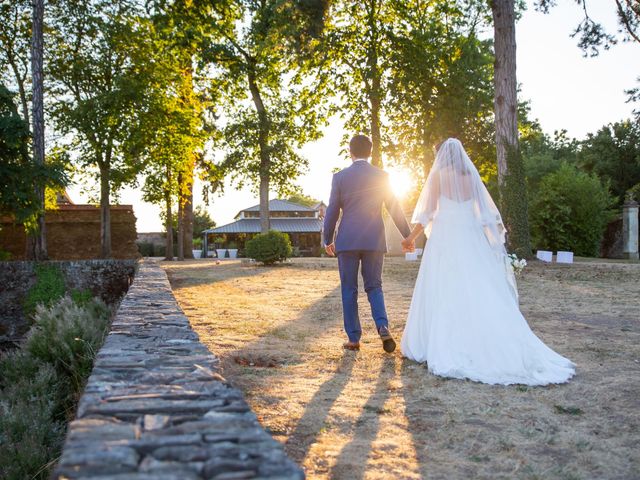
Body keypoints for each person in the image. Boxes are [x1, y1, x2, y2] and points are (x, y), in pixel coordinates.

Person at [400, 138, 575, 385]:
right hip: (469, 237)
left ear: (441, 156)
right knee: (475, 287)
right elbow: (484, 215)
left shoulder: (439, 176)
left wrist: (410, 237)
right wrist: (493, 245)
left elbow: (427, 213)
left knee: (443, 287)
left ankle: (443, 342)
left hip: (446, 238)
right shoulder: (471, 178)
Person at [324, 134, 412, 352]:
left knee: (349, 289)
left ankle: (354, 339)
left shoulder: (340, 177)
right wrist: (407, 235)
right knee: (374, 286)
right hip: (374, 239)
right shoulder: (382, 176)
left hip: (347, 240)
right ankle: (382, 326)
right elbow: (394, 207)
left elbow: (332, 210)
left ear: (350, 152)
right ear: (370, 152)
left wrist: (327, 239)